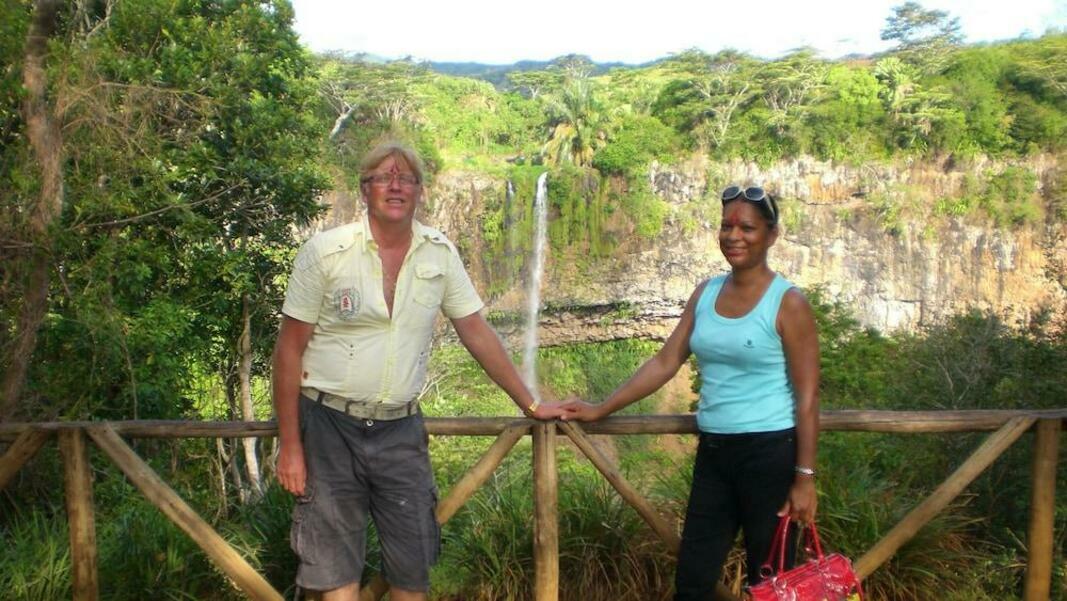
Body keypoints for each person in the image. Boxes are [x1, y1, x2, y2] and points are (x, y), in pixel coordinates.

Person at [272, 140, 565, 601]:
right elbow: (289, 350)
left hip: (401, 430)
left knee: (412, 573)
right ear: (364, 189)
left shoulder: (439, 254)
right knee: (334, 579)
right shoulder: (325, 252)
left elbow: (476, 332)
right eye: (383, 178)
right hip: (328, 428)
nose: (395, 186)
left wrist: (531, 403)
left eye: (405, 178)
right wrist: (291, 445)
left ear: (420, 191)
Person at [562, 185, 820, 600]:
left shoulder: (787, 303)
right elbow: (666, 362)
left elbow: (807, 398)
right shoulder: (706, 293)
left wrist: (805, 478)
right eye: (726, 226)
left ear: (771, 235)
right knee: (693, 580)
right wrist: (600, 408)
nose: (734, 236)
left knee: (771, 581)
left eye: (747, 228)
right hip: (714, 453)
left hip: (770, 454)